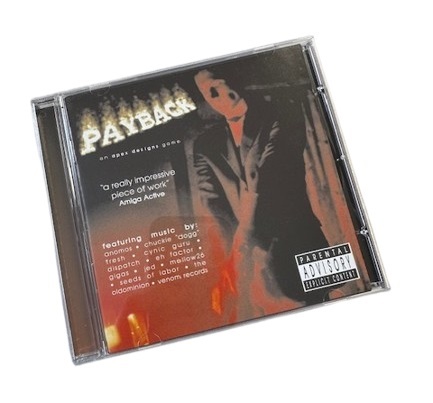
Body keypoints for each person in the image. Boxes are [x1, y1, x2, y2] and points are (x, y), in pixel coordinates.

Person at [192, 69, 330, 319]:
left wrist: (243, 238)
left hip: (299, 242)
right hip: (252, 261)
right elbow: (212, 203)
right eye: (206, 92)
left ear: (233, 80)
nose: (213, 95)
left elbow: (269, 175)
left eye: (216, 84)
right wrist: (231, 259)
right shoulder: (204, 145)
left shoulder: (281, 113)